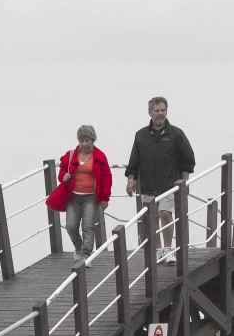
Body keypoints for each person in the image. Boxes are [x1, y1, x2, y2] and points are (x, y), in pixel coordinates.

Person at [125, 96, 195, 259]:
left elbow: (188, 159)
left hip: (169, 184)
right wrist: (130, 180)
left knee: (165, 213)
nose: (160, 114)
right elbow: (133, 162)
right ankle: (157, 251)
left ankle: (168, 249)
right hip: (148, 185)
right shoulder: (140, 135)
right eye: (156, 111)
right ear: (150, 113)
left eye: (163, 110)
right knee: (151, 218)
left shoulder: (176, 134)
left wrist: (185, 181)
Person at [57, 125, 112, 265]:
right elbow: (62, 172)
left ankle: (86, 256)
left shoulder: (99, 156)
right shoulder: (70, 155)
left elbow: (107, 177)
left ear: (93, 140)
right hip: (73, 196)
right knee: (71, 225)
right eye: (82, 140)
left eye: (88, 140)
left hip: (91, 197)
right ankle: (79, 248)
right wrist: (64, 176)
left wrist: (105, 198)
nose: (85, 144)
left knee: (88, 226)